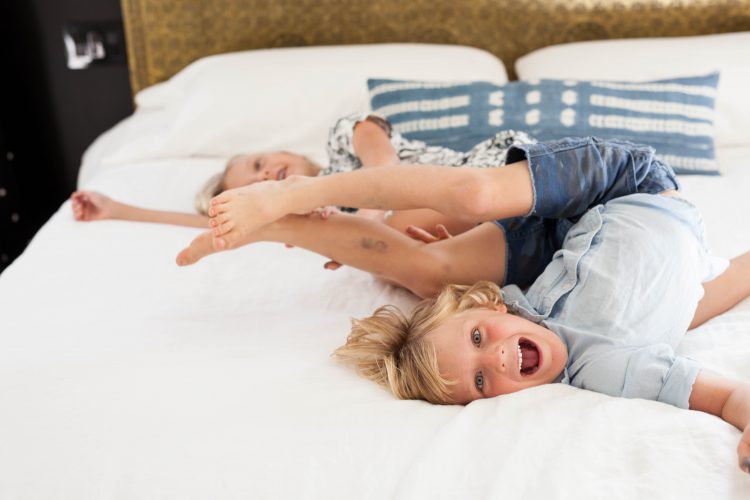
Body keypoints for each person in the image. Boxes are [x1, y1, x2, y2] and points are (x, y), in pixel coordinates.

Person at [175, 136, 750, 473]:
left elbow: (469, 302)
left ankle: (288, 202)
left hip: (622, 187)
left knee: (473, 199)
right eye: (479, 382)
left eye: (478, 338)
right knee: (693, 308)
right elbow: (725, 395)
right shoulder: (611, 370)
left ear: (491, 307)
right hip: (614, 248)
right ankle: (281, 231)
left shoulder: (518, 313)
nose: (497, 359)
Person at [71, 113, 536, 239]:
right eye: (256, 186)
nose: (264, 175)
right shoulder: (312, 211)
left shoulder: (342, 135)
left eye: (257, 165)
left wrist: (371, 220)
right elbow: (219, 223)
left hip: (491, 172)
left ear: (282, 151)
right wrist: (117, 210)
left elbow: (384, 167)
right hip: (449, 224)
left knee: (386, 237)